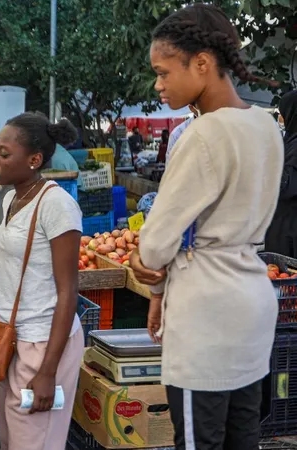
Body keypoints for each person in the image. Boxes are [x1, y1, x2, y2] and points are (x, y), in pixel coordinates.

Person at [129, 5, 283, 449]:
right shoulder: (266, 126)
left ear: (201, 63)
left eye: (163, 72)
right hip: (252, 301)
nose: (158, 85)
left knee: (201, 441)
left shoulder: (202, 134)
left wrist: (143, 263)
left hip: (205, 314)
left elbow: (156, 243)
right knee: (243, 436)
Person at [0, 112, 83, 450]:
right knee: (12, 441)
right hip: (9, 342)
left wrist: (47, 371)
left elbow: (68, 291)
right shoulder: (12, 198)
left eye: (4, 154)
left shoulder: (57, 205)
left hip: (43, 345)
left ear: (35, 160)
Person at [266, 90, 297, 257]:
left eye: (281, 112)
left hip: (289, 229)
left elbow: (287, 186)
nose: (280, 118)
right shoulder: (289, 142)